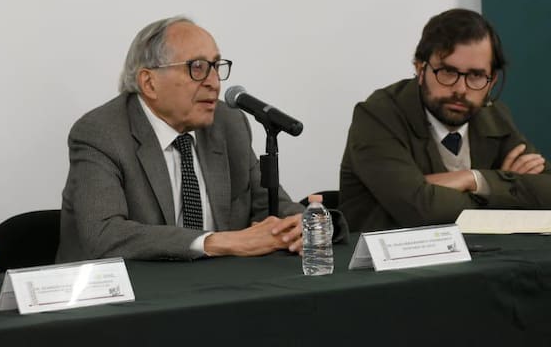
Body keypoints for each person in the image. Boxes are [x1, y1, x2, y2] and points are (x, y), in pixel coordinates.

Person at [57, 16, 346, 262]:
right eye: (197, 67)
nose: (214, 81)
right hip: (121, 303)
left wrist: (300, 224)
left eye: (216, 66)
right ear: (149, 82)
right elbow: (105, 234)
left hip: (214, 293)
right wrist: (216, 242)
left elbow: (268, 207)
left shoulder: (229, 124)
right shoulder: (101, 133)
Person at [340, 8, 551, 233]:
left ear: (492, 81)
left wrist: (474, 179)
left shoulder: (493, 115)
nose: (460, 89)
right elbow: (423, 209)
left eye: (476, 76)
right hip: (389, 263)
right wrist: (508, 190)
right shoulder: (377, 116)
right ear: (420, 69)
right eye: (448, 72)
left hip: (479, 259)